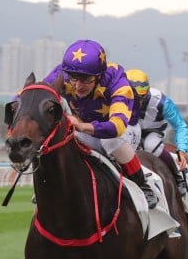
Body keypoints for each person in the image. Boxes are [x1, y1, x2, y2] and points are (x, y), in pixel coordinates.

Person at [41, 40, 157, 208]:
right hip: (86, 127)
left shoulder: (117, 80)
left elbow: (116, 127)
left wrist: (81, 126)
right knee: (60, 135)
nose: (78, 86)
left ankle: (142, 184)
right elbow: (33, 94)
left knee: (109, 140)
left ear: (99, 75)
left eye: (86, 79)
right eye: (74, 79)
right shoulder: (62, 74)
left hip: (124, 129)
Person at [125, 68, 188, 199]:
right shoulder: (117, 98)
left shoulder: (161, 101)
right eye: (133, 97)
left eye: (141, 97)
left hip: (153, 131)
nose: (137, 102)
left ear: (147, 91)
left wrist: (182, 149)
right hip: (130, 129)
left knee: (151, 145)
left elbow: (180, 125)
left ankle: (178, 178)